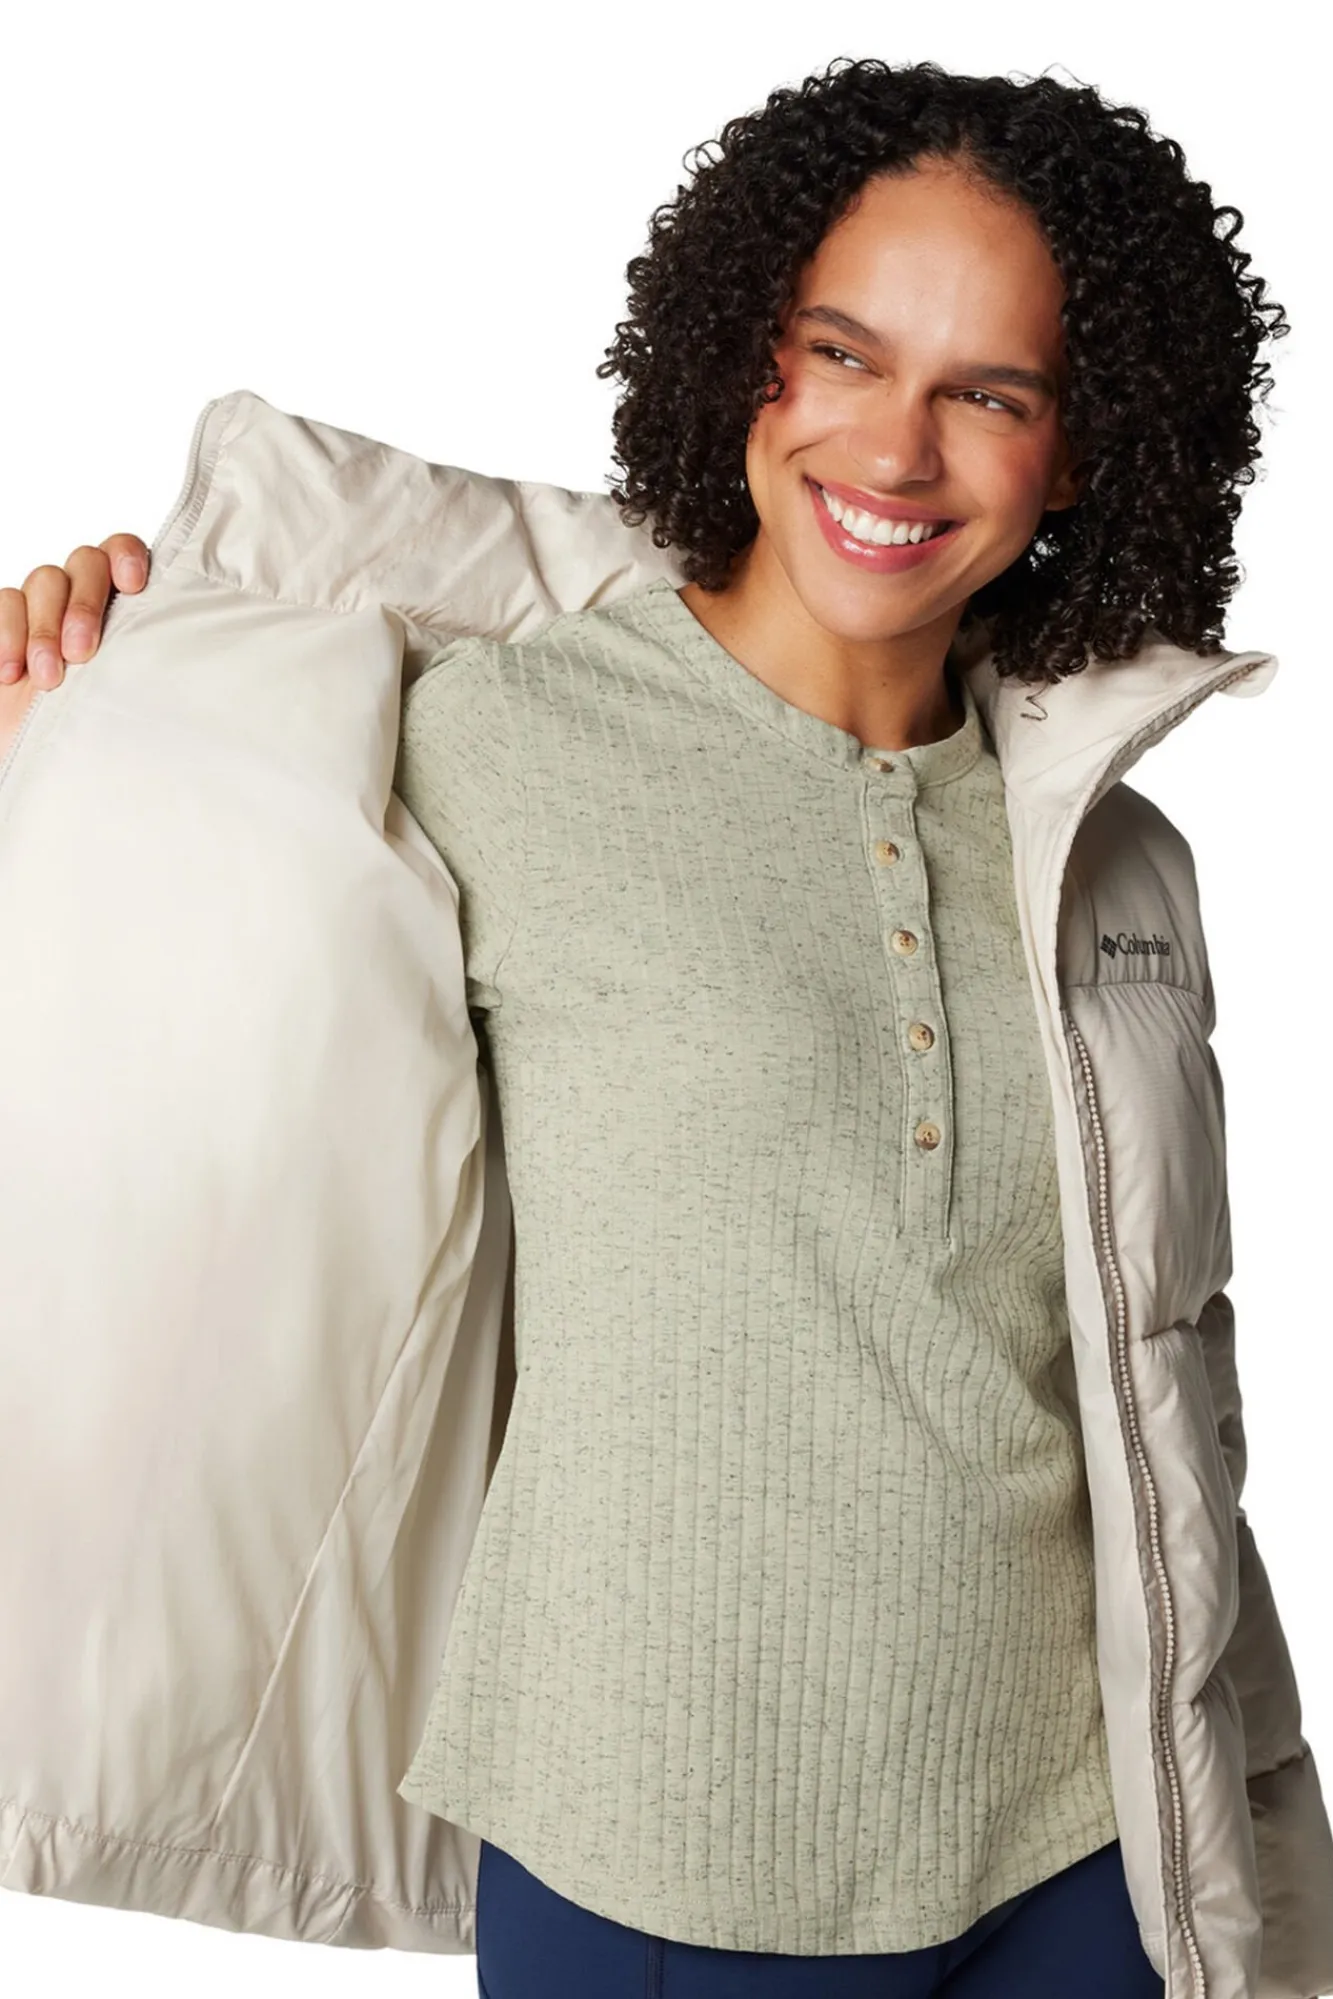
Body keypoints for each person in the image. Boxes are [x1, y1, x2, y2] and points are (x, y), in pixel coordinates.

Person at [0, 55, 1291, 1999]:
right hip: (655, 1860)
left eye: (991, 394)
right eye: (841, 355)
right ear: (743, 356)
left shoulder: (1109, 850)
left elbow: (1165, 1376)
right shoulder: (483, 737)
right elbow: (135, 1045)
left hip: (1088, 1858)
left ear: (1085, 448)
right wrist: (76, 724)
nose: (896, 449)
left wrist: (1242, 1809)